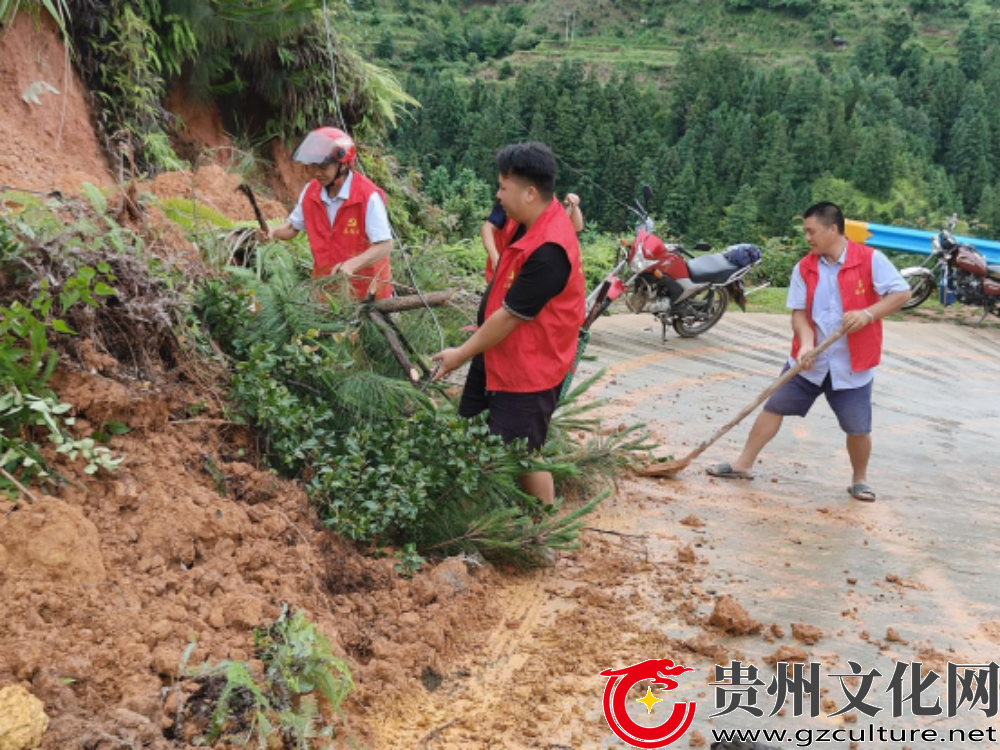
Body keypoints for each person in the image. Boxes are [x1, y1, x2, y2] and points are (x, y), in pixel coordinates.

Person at [706, 202, 911, 502]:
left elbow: (902, 293)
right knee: (774, 406)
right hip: (809, 362)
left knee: (857, 427)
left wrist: (867, 314)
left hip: (851, 364)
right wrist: (805, 344)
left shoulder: (870, 260)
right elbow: (799, 314)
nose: (808, 238)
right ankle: (743, 464)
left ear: (832, 229)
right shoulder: (805, 267)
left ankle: (860, 480)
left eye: (811, 231)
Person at [432, 142, 586, 504]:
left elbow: (511, 316)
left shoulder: (550, 251)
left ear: (530, 193)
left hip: (528, 367)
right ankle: (493, 506)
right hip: (500, 354)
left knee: (526, 453)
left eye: (503, 188)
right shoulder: (528, 221)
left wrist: (461, 354)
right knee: (488, 432)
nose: (498, 195)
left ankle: (542, 530)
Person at [260, 127, 393, 300]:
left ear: (343, 164)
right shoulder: (311, 192)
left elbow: (385, 245)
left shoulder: (367, 196)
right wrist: (273, 232)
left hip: (368, 295)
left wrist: (352, 265)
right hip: (326, 294)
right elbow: (293, 227)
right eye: (313, 167)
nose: (316, 173)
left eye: (323, 167)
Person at [480, 193, 583, 283]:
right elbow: (487, 228)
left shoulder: (548, 205)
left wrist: (574, 205)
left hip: (527, 270)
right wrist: (495, 258)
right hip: (502, 268)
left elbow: (576, 227)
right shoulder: (508, 202)